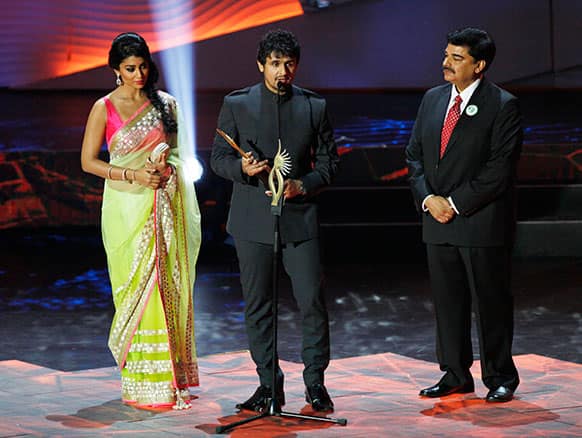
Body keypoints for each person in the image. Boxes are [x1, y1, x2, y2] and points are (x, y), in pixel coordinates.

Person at [211, 29, 339, 412]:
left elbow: (331, 162)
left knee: (312, 302)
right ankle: (268, 384)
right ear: (261, 64)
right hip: (252, 221)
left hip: (300, 221)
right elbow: (218, 158)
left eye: (289, 64)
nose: (283, 71)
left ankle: (315, 382)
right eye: (275, 64)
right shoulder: (238, 104)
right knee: (258, 306)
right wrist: (243, 167)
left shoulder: (314, 106)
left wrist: (304, 184)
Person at [80, 32, 201, 409]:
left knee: (164, 290)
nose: (139, 74)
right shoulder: (104, 107)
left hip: (162, 204)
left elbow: (183, 154)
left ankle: (168, 382)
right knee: (132, 291)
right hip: (124, 210)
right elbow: (88, 162)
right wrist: (133, 176)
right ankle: (140, 383)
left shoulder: (167, 105)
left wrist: (167, 169)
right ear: (115, 69)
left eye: (144, 66)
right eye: (130, 68)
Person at [405, 27, 522, 403]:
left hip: (479, 222)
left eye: (457, 58)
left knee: (491, 304)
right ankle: (455, 374)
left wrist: (453, 204)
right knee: (448, 304)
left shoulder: (502, 105)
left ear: (480, 65)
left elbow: (498, 171)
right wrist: (428, 200)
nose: (446, 64)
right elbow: (414, 157)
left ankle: (500, 376)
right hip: (435, 221)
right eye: (446, 55)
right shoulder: (432, 99)